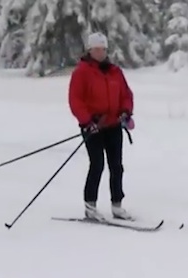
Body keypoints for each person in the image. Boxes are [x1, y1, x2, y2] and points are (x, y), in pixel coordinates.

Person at [68, 32, 136, 221]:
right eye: (96, 49)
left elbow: (126, 94)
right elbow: (75, 100)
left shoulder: (115, 71)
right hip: (93, 127)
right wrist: (86, 122)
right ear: (90, 50)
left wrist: (126, 111)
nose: (100, 53)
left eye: (103, 49)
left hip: (113, 125)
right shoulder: (81, 72)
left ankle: (117, 205)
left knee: (117, 166)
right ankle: (90, 206)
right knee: (97, 165)